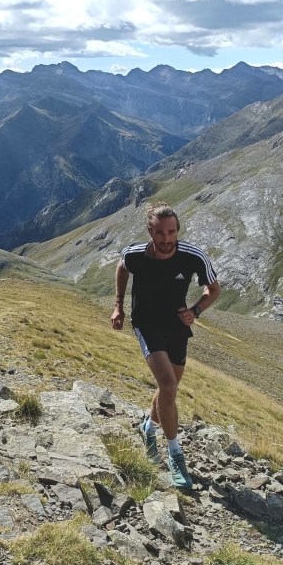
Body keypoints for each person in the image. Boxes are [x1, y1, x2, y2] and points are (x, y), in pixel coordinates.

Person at [111, 202, 221, 489]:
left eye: (171, 232)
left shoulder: (193, 256)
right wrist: (119, 306)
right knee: (169, 388)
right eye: (160, 233)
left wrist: (195, 311)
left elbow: (214, 289)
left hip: (176, 325)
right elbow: (122, 268)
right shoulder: (135, 254)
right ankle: (175, 455)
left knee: (167, 390)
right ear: (150, 232)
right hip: (146, 323)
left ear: (177, 231)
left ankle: (148, 428)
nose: (166, 239)